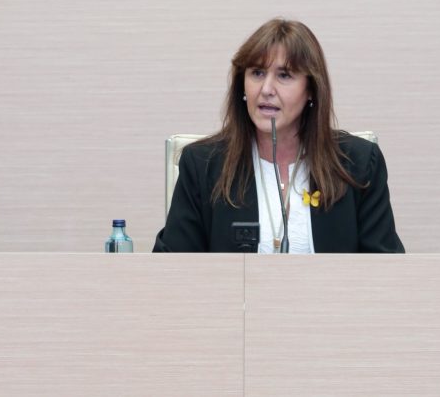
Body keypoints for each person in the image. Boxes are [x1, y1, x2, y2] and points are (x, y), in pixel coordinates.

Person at [153, 18, 404, 253]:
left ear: (311, 90)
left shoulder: (357, 164)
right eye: (257, 73)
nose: (266, 89)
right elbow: (173, 271)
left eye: (284, 75)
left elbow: (385, 272)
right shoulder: (203, 165)